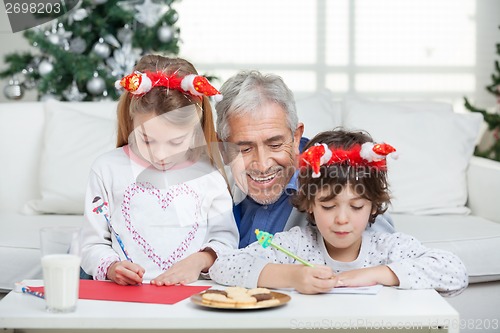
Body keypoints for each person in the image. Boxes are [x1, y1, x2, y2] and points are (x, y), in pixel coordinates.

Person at [209, 128, 468, 296]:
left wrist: (372, 274)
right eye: (328, 206)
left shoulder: (387, 248)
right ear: (309, 203)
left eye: (356, 206)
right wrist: (293, 276)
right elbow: (224, 265)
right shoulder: (297, 245)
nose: (342, 219)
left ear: (374, 205)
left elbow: (455, 271)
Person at [80, 55, 239, 286]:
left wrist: (199, 261)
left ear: (196, 130)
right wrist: (112, 267)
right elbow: (91, 244)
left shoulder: (208, 175)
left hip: (190, 297)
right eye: (147, 140)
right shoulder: (107, 169)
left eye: (176, 142)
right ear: (131, 120)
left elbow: (226, 241)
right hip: (123, 299)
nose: (161, 155)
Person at [215, 70, 395, 248]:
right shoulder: (212, 188)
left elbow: (382, 254)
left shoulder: (337, 173)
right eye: (245, 149)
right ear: (223, 148)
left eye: (275, 145)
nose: (262, 165)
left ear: (296, 138)